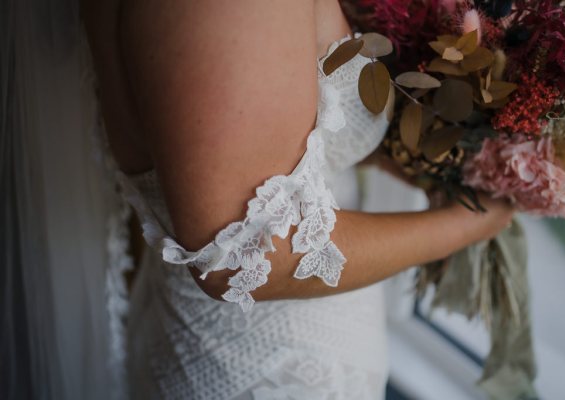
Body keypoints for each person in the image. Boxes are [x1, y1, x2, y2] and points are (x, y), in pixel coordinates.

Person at [81, 0, 515, 398]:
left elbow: (253, 141)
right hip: (265, 374)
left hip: (212, 345)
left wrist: (411, 159)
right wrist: (470, 222)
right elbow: (245, 257)